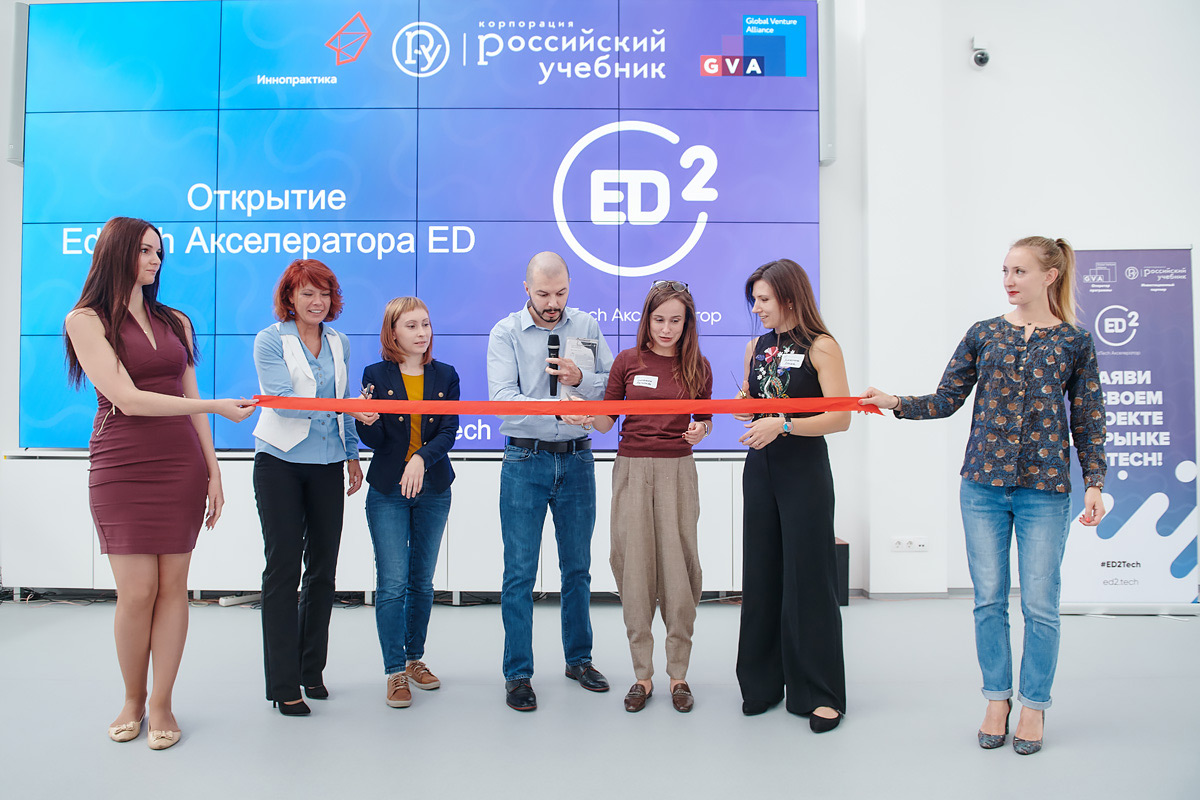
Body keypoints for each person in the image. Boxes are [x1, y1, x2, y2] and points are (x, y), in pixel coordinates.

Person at [860, 236, 1106, 755]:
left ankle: (1034, 705)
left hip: (1046, 489)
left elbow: (1088, 419)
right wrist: (895, 401)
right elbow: (947, 398)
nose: (1009, 280)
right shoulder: (984, 333)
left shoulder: (1075, 342)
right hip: (982, 487)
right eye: (1005, 270)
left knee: (1040, 605)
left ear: (1050, 276)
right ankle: (997, 700)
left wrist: (1095, 483)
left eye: (1020, 271)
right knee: (989, 601)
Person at [63, 217, 257, 750]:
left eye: (158, 253)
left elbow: (188, 396)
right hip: (121, 464)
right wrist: (216, 405)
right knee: (137, 592)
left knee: (174, 588)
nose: (155, 261)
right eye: (145, 251)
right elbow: (127, 399)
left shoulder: (176, 321)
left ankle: (162, 703)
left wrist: (214, 469)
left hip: (180, 464)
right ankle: (132, 699)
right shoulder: (85, 320)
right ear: (117, 253)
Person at [563, 280, 713, 713]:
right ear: (647, 319)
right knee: (633, 567)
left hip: (677, 471)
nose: (666, 329)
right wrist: (583, 414)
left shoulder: (698, 365)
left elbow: (705, 419)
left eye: (675, 321)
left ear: (687, 324)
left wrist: (700, 430)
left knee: (680, 569)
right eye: (659, 319)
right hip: (631, 468)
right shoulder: (627, 362)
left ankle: (678, 676)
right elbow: (607, 420)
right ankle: (642, 676)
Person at [486, 251, 614, 711]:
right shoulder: (505, 333)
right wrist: (558, 408)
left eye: (560, 293)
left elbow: (612, 387)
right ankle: (518, 673)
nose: (553, 303)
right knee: (519, 572)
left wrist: (583, 379)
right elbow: (503, 399)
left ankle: (579, 660)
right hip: (525, 460)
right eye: (543, 294)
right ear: (527, 289)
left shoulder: (587, 326)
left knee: (577, 569)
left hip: (578, 459)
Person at [252, 258, 378, 716]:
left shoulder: (340, 342)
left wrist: (352, 454)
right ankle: (284, 684)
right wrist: (346, 406)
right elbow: (283, 404)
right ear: (290, 297)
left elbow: (345, 405)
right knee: (283, 571)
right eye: (307, 293)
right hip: (280, 464)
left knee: (323, 572)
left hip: (327, 463)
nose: (317, 301)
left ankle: (311, 670)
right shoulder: (271, 339)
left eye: (324, 293)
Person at [734, 258, 851, 732]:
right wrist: (745, 407)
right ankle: (762, 683)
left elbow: (840, 417)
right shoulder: (756, 347)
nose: (756, 309)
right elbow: (753, 401)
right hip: (761, 468)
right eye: (754, 300)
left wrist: (783, 424)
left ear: (788, 296)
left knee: (809, 577)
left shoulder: (822, 346)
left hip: (804, 470)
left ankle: (821, 693)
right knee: (761, 574)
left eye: (763, 299)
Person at [356, 297, 459, 709]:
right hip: (387, 490)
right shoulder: (374, 374)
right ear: (392, 332)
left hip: (433, 486)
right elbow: (376, 441)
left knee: (422, 581)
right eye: (412, 326)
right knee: (393, 583)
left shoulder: (446, 374)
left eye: (426, 324)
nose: (422, 333)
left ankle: (415, 658)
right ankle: (394, 670)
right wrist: (367, 422)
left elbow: (448, 432)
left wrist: (420, 458)